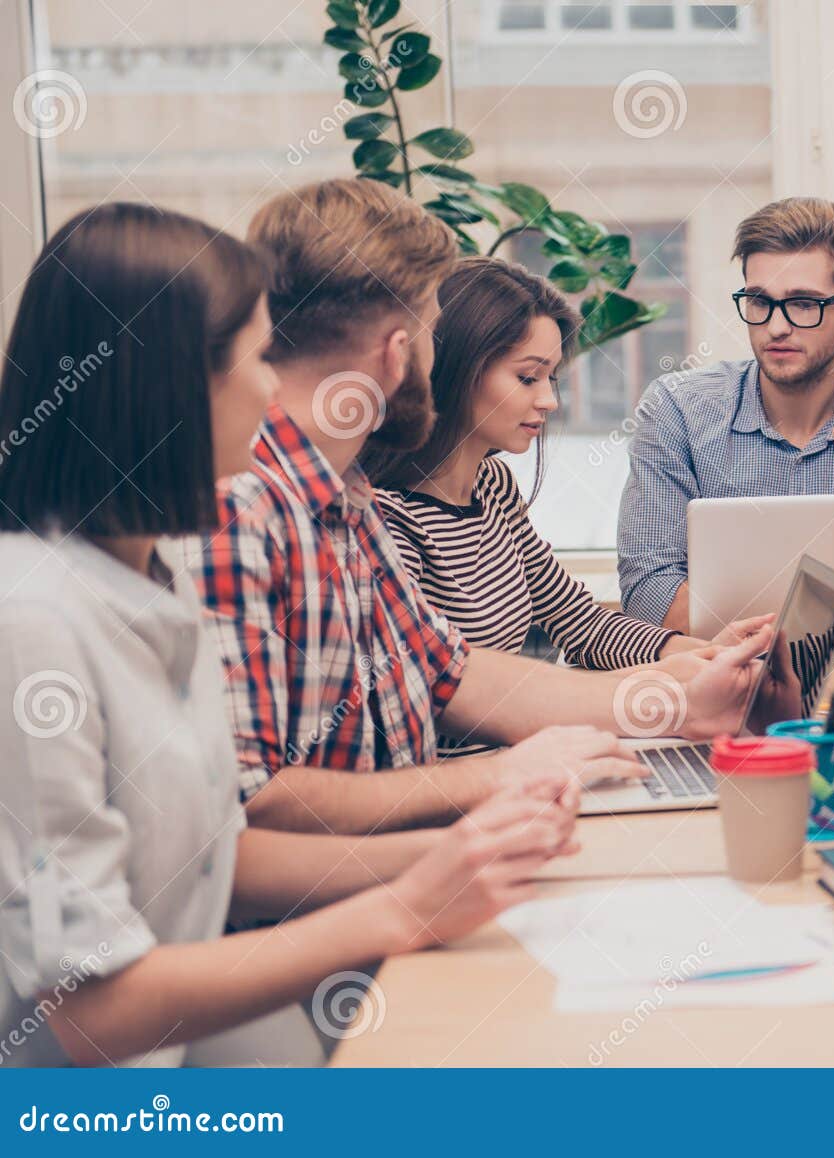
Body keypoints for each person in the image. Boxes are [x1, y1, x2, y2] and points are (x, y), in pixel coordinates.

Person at [0, 203, 580, 1067]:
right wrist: (405, 905)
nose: (276, 388)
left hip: (191, 1040)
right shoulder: (33, 624)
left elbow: (213, 857)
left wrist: (463, 856)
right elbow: (94, 1013)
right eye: (254, 359)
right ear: (170, 387)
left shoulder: (158, 576)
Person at [195, 179, 771, 836]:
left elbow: (453, 672)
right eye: (431, 331)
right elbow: (252, 806)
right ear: (400, 349)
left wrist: (676, 690)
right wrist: (502, 779)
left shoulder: (342, 494)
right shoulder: (246, 503)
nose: (547, 399)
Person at [365, 258, 770, 756]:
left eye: (551, 378)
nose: (549, 401)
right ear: (457, 370)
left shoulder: (491, 486)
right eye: (528, 377)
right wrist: (667, 687)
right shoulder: (389, 519)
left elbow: (579, 622)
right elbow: (430, 694)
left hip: (517, 762)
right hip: (466, 786)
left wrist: (701, 653)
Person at [617, 197, 834, 632]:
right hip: (724, 679)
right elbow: (647, 590)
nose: (776, 326)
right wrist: (789, 633)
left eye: (802, 304)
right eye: (760, 301)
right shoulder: (677, 409)